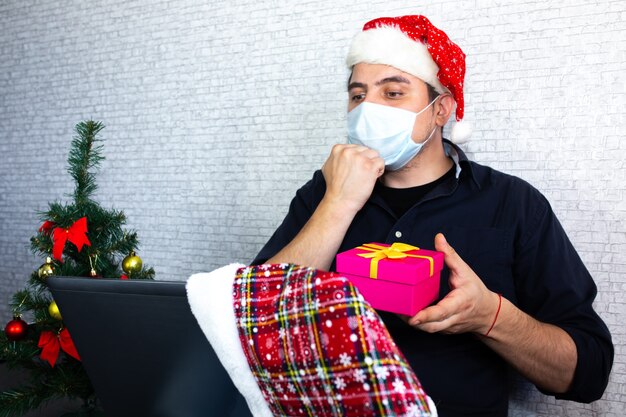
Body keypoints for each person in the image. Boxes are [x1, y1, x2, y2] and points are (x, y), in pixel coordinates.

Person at [252, 15, 613, 417]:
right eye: (357, 96)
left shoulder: (513, 204)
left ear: (441, 109)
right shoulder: (322, 192)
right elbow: (255, 319)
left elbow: (589, 373)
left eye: (392, 93)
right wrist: (338, 203)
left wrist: (489, 317)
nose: (367, 109)